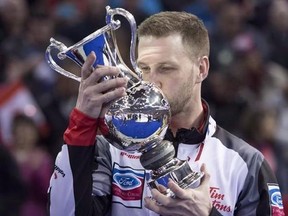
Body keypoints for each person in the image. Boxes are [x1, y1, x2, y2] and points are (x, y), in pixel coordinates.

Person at [48, 10, 285, 216]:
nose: (150, 82)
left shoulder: (244, 163)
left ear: (201, 69)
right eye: (143, 68)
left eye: (166, 68)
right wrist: (82, 124)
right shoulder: (109, 150)